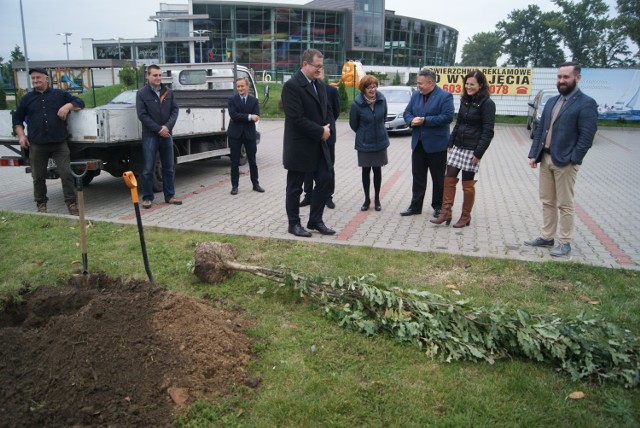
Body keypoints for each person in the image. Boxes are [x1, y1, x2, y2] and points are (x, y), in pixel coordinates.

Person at [524, 62, 597, 257]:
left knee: (565, 204)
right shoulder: (552, 101)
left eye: (566, 77)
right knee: (547, 200)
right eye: (559, 77)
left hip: (565, 162)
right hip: (545, 158)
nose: (561, 81)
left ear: (577, 78)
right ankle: (547, 237)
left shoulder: (586, 103)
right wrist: (534, 154)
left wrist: (575, 158)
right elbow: (540, 129)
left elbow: (587, 136)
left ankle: (565, 242)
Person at [12, 67, 85, 215]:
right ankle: (41, 204)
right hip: (37, 144)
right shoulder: (27, 99)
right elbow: (17, 120)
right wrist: (21, 136)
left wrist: (67, 106)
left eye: (38, 77)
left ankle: (71, 204)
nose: (35, 80)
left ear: (46, 79)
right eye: (33, 78)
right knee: (38, 176)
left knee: (66, 174)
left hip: (59, 143)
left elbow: (80, 102)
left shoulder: (59, 95)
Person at [431, 70, 495, 227]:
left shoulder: (487, 104)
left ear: (480, 85)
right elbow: (458, 123)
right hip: (458, 146)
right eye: (467, 84)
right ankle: (445, 213)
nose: (468, 87)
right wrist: (450, 142)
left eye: (472, 84)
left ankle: (465, 216)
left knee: (467, 184)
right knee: (449, 178)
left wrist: (478, 153)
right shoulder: (465, 100)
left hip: (473, 149)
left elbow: (488, 131)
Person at [282, 48, 334, 237]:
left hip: (319, 144)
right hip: (300, 146)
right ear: (305, 64)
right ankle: (294, 224)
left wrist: (328, 128)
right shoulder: (292, 86)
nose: (320, 70)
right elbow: (296, 118)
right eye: (317, 66)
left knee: (325, 179)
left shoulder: (319, 84)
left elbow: (326, 110)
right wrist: (321, 131)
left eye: (321, 66)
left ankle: (315, 220)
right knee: (295, 187)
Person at [401, 68, 454, 218]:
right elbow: (407, 113)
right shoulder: (416, 95)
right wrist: (411, 121)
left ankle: (438, 207)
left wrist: (425, 121)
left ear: (430, 83)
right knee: (418, 177)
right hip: (418, 144)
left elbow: (447, 117)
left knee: (437, 178)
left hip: (436, 145)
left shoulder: (445, 96)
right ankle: (415, 206)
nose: (418, 86)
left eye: (420, 83)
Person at [136, 64, 182, 209]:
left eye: (160, 75)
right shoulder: (142, 93)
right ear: (148, 76)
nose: (158, 78)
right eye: (155, 75)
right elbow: (142, 115)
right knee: (148, 168)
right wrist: (158, 129)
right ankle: (148, 198)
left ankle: (170, 196)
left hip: (167, 134)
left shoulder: (168, 92)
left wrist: (167, 127)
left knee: (168, 168)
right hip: (150, 135)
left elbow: (175, 110)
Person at [300, 69, 340, 209]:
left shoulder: (331, 91)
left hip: (328, 136)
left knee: (328, 167)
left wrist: (326, 127)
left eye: (321, 70)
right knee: (309, 167)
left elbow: (335, 112)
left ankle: (328, 196)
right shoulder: (306, 90)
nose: (319, 73)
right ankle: (308, 195)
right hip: (312, 136)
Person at [349, 75, 389, 211]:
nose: (373, 89)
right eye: (369, 87)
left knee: (377, 170)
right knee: (366, 171)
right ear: (363, 89)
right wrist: (365, 133)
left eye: (374, 86)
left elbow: (383, 118)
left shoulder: (382, 100)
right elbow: (353, 124)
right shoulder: (357, 104)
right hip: (364, 143)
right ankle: (367, 199)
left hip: (380, 142)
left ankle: (377, 199)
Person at [227, 76, 264, 195]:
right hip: (235, 135)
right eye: (238, 86)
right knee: (234, 162)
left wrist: (245, 117)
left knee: (252, 161)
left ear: (247, 86)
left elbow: (256, 115)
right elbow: (233, 115)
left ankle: (255, 184)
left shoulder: (254, 101)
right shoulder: (232, 99)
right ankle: (234, 186)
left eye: (242, 86)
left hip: (249, 134)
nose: (240, 88)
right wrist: (249, 117)